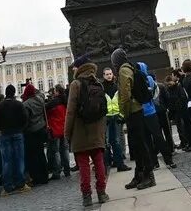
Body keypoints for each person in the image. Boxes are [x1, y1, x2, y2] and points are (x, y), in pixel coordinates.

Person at [64, 54, 110, 207]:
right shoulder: (98, 83)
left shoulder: (75, 84)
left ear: (80, 67)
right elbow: (104, 109)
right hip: (97, 130)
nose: (74, 69)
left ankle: (87, 196)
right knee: (99, 162)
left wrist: (67, 133)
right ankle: (102, 193)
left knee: (83, 165)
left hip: (80, 131)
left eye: (75, 67)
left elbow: (70, 111)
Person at [112, 48, 156, 190]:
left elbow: (125, 95)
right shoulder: (128, 68)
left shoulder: (123, 71)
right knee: (136, 146)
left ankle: (149, 176)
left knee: (141, 145)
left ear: (116, 61)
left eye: (113, 61)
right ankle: (139, 174)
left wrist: (123, 114)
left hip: (133, 111)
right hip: (136, 110)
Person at [0, 85, 29, 195]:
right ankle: (20, 184)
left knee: (6, 161)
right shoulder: (18, 104)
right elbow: (25, 118)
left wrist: (2, 128)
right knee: (19, 159)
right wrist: (21, 128)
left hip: (5, 134)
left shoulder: (0, 106)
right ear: (14, 93)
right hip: (17, 133)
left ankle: (7, 186)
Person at [100, 68, 130, 172]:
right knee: (107, 142)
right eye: (107, 74)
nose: (109, 76)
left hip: (116, 116)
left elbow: (122, 101)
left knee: (116, 141)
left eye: (110, 74)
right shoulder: (101, 88)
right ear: (103, 76)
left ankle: (120, 164)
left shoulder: (117, 86)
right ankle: (107, 163)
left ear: (112, 74)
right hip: (107, 117)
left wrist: (121, 115)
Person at [21, 84, 49, 186]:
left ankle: (37, 178)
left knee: (33, 156)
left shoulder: (26, 104)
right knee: (41, 153)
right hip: (41, 128)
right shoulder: (40, 100)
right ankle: (45, 176)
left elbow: (26, 119)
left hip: (31, 132)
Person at [44, 85, 70, 180]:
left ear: (57, 92)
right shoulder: (66, 101)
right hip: (64, 129)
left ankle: (57, 172)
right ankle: (67, 170)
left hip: (55, 129)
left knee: (56, 151)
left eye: (54, 91)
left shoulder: (53, 103)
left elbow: (45, 110)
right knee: (65, 150)